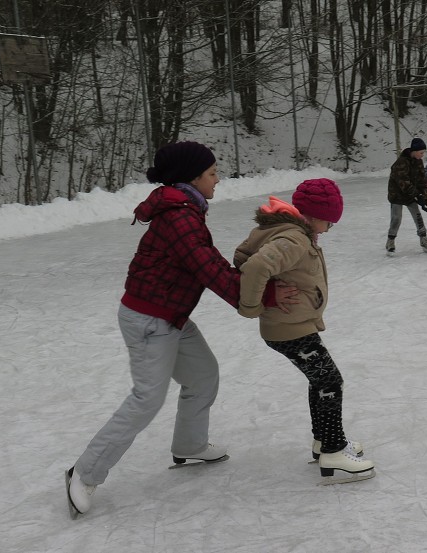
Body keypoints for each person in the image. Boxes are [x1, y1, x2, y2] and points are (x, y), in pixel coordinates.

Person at [66, 141, 297, 517]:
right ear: (192, 178)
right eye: (211, 173)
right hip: (149, 321)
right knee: (146, 399)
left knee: (203, 376)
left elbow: (212, 267)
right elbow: (211, 271)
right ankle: (85, 471)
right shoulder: (181, 218)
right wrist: (263, 294)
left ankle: (189, 445)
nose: (217, 180)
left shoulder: (185, 209)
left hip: (169, 315)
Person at [233, 179, 375, 480]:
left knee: (320, 379)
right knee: (329, 380)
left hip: (294, 324)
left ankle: (324, 441)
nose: (328, 229)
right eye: (328, 222)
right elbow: (256, 266)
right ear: (311, 216)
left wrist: (268, 291)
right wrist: (252, 306)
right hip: (289, 328)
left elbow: (243, 255)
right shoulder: (294, 240)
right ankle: (333, 451)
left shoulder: (290, 233)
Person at [387, 138, 427, 254]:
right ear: (414, 151)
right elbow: (404, 183)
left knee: (418, 216)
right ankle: (390, 241)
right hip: (397, 195)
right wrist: (417, 195)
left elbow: (422, 180)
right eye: (421, 152)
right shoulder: (401, 162)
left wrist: (424, 197)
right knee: (396, 218)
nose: (422, 155)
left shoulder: (418, 162)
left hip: (410, 195)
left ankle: (423, 240)